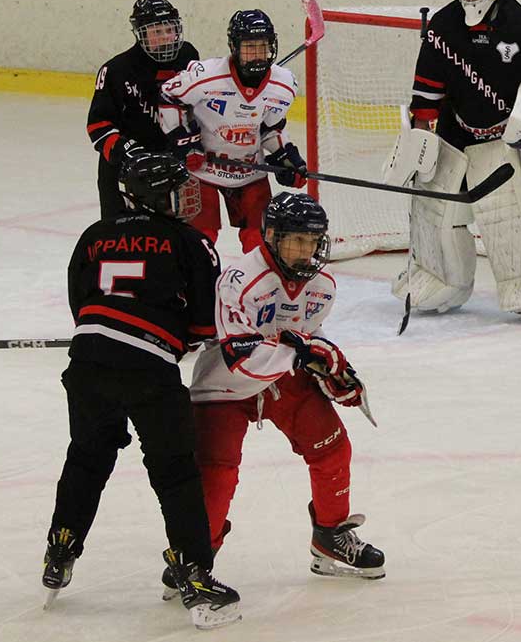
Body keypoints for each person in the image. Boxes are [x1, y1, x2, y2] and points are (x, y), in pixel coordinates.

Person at [42, 153, 241, 630]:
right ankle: (195, 576)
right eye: (177, 189)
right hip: (148, 369)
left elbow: (80, 304)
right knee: (175, 471)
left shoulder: (93, 235)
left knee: (87, 457)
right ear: (154, 196)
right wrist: (172, 337)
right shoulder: (190, 241)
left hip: (87, 361)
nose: (188, 197)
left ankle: (60, 548)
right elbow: (204, 323)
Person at [158, 191, 384, 597]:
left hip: (282, 377)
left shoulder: (322, 286)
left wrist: (331, 368)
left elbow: (306, 337)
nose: (305, 251)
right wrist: (305, 353)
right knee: (217, 474)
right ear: (271, 237)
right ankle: (194, 559)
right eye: (296, 240)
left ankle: (330, 535)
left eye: (312, 241)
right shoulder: (240, 280)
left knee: (332, 447)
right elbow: (240, 357)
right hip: (225, 385)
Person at [387, 0, 521, 319]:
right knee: (435, 208)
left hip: (502, 137)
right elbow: (427, 87)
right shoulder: (443, 25)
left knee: (505, 214)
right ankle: (439, 278)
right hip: (454, 130)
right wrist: (419, 136)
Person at [159, 9, 304, 253]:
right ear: (234, 47)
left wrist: (286, 157)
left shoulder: (284, 84)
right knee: (199, 240)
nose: (257, 55)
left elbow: (271, 127)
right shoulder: (206, 75)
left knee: (261, 242)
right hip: (202, 170)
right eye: (250, 47)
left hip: (249, 171)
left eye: (263, 46)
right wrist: (186, 143)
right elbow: (168, 96)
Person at [87, 0, 199, 218]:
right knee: (120, 232)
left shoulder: (188, 57)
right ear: (141, 34)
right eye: (156, 31)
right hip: (125, 169)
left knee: (174, 234)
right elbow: (98, 126)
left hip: (172, 166)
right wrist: (130, 154)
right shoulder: (117, 70)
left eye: (169, 30)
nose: (165, 37)